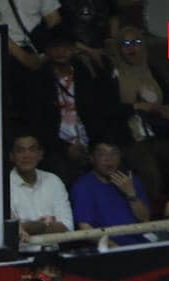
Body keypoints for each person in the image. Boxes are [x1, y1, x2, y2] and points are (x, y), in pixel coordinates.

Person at [32, 27, 126, 185]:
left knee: (116, 168)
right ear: (47, 50)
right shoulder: (38, 81)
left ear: (73, 49)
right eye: (56, 47)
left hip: (91, 141)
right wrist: (65, 148)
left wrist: (96, 145)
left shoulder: (86, 73)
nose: (61, 51)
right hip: (57, 147)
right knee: (60, 174)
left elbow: (103, 109)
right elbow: (38, 124)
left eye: (65, 46)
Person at [113, 26, 169, 199]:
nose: (132, 47)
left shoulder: (151, 71)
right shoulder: (114, 75)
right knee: (150, 172)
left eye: (137, 42)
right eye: (126, 44)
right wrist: (137, 107)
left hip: (159, 131)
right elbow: (109, 109)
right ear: (119, 49)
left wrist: (164, 109)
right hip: (130, 137)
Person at [71, 138, 151, 247]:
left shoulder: (131, 180)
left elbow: (145, 219)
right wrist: (115, 248)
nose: (109, 159)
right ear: (92, 158)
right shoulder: (83, 186)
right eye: (102, 154)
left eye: (114, 153)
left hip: (141, 243)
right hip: (109, 249)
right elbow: (85, 227)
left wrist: (131, 194)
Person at [8, 134, 73, 244]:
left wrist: (32, 226)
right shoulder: (4, 185)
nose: (26, 155)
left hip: (54, 254)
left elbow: (67, 228)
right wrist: (43, 226)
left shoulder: (53, 181)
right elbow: (9, 230)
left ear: (40, 154)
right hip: (20, 254)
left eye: (32, 150)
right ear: (11, 156)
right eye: (20, 151)